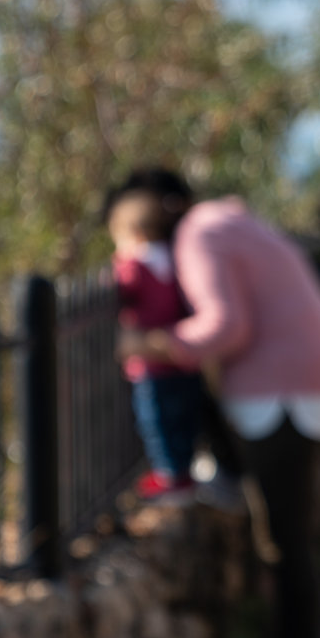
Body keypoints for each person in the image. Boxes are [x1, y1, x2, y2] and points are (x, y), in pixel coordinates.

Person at [113, 166, 320, 638]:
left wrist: (149, 343)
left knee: (285, 546)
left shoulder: (202, 235)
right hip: (307, 386)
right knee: (284, 539)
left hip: (283, 396)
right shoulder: (231, 223)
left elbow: (226, 327)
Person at [105, 187, 203, 500]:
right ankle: (184, 472)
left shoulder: (134, 265)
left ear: (132, 233)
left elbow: (122, 286)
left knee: (156, 422)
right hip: (181, 358)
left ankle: (168, 475)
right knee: (184, 419)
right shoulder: (174, 261)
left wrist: (117, 265)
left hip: (150, 362)